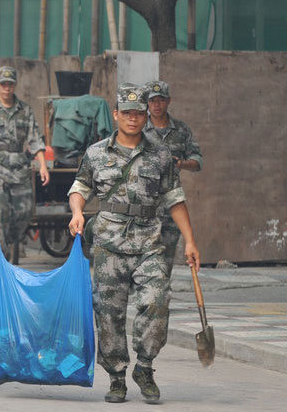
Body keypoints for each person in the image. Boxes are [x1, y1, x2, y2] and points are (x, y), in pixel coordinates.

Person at [67, 84, 201, 404]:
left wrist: (191, 241)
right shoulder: (96, 153)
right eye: (126, 113)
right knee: (109, 313)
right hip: (109, 244)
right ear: (116, 115)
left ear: (146, 117)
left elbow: (174, 199)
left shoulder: (161, 154)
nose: (132, 118)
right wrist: (76, 212)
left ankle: (144, 366)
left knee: (157, 301)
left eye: (138, 113)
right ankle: (116, 377)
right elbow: (80, 186)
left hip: (149, 241)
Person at [0, 65, 50, 260]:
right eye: (3, 84)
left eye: (11, 84)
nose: (7, 88)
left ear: (15, 85)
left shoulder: (25, 110)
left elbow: (35, 139)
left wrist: (42, 165)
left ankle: (13, 241)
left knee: (24, 212)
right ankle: (0, 257)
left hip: (19, 166)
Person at [144, 80, 203, 274]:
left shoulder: (181, 130)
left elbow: (197, 160)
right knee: (143, 256)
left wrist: (181, 164)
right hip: (144, 203)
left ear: (169, 101)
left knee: (166, 257)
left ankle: (160, 297)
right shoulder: (138, 129)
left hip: (170, 203)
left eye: (161, 100)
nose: (157, 105)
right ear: (147, 102)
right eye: (153, 101)